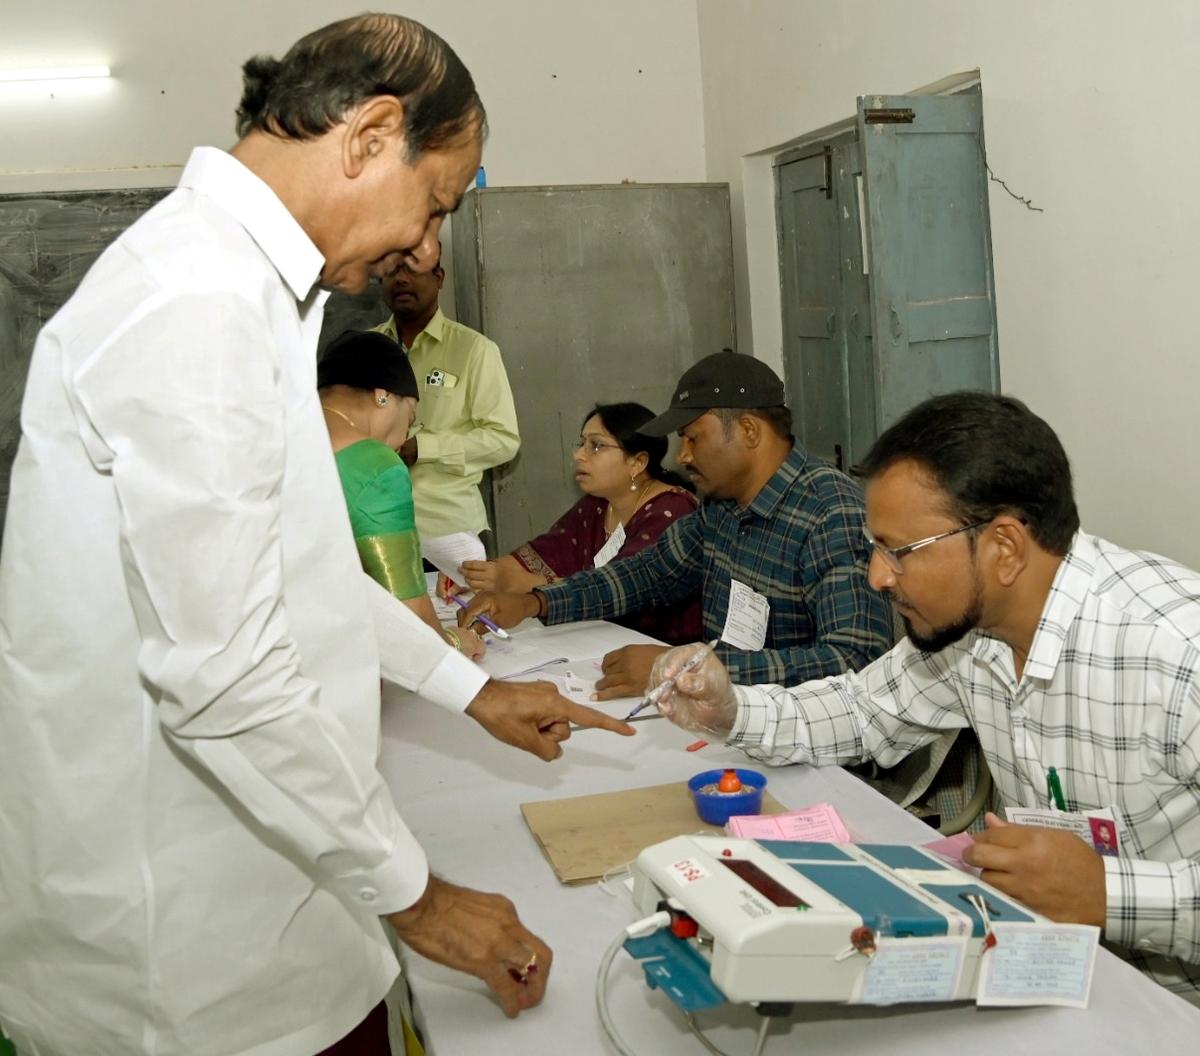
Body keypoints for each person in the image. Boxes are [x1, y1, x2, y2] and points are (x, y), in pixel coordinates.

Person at [0, 16, 632, 1056]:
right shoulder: (192, 307)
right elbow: (226, 676)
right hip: (189, 967)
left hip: (270, 917)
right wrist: (423, 899)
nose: (426, 248)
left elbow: (296, 581)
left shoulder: (245, 293)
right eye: (433, 206)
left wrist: (472, 691)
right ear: (371, 134)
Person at [651, 392, 1200, 1005]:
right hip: (1062, 969)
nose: (878, 577)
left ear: (1005, 548)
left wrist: (1107, 893)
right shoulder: (970, 634)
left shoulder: (1178, 651)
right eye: (873, 548)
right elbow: (862, 711)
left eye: (899, 552)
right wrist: (732, 709)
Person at [461, 350, 892, 699]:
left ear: (748, 431)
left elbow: (852, 660)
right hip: (727, 716)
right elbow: (649, 573)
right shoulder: (721, 506)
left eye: (692, 438)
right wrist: (535, 602)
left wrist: (685, 668)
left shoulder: (830, 514)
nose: (682, 456)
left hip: (809, 748)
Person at [456, 402, 702, 644]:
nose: (578, 454)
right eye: (581, 443)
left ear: (637, 462)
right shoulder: (597, 504)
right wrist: (477, 573)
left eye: (596, 446)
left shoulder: (671, 511)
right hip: (596, 638)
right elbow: (545, 553)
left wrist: (520, 588)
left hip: (660, 649)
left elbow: (621, 590)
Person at [319, 328, 485, 658]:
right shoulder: (375, 464)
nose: (402, 440)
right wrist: (454, 642)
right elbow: (406, 618)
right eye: (409, 418)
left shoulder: (276, 430)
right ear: (383, 395)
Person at [374, 242, 519, 542]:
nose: (401, 279)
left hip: (447, 531)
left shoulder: (474, 350)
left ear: (439, 278)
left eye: (413, 269)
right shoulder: (365, 350)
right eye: (391, 271)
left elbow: (504, 440)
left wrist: (425, 449)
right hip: (375, 528)